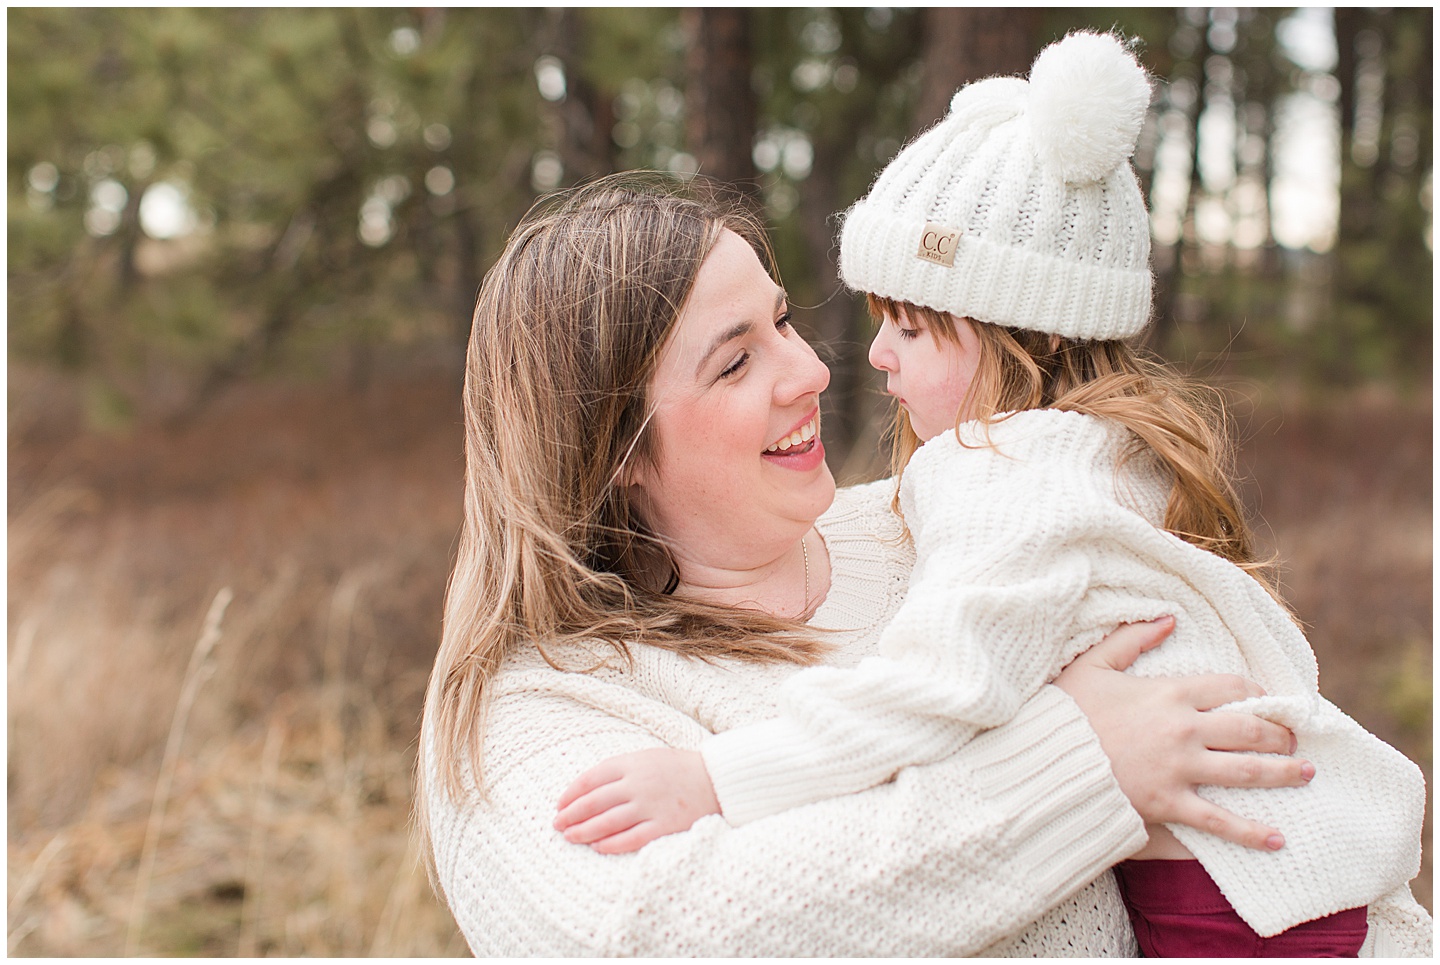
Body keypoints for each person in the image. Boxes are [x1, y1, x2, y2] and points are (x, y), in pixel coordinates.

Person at [551, 33, 1432, 957]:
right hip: (1294, 873)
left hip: (1223, 906)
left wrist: (717, 779)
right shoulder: (1104, 451)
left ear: (1024, 339)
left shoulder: (1008, 474)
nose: (868, 355)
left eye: (912, 327)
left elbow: (933, 691)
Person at [417, 169, 1321, 956]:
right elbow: (648, 934)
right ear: (613, 454)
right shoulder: (535, 706)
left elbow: (1253, 743)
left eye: (782, 320)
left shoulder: (960, 524)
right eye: (736, 363)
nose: (811, 368)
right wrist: (1084, 772)